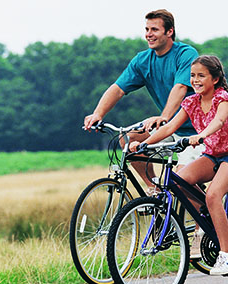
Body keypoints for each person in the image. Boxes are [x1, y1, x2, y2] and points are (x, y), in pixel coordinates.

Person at [129, 55, 228, 276]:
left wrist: (202, 135)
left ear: (215, 79)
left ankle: (227, 255)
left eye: (201, 76)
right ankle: (208, 213)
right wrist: (143, 144)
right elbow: (169, 128)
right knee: (180, 181)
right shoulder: (191, 101)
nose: (195, 80)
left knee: (214, 194)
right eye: (193, 76)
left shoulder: (222, 98)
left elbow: (219, 121)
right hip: (213, 155)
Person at [83, 9, 202, 193]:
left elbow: (180, 87)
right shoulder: (143, 60)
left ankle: (205, 221)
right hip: (170, 129)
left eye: (154, 29)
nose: (148, 34)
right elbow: (118, 88)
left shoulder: (185, 54)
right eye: (146, 29)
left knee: (181, 184)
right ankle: (154, 188)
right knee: (128, 139)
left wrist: (163, 117)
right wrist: (98, 114)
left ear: (169, 31)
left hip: (197, 133)